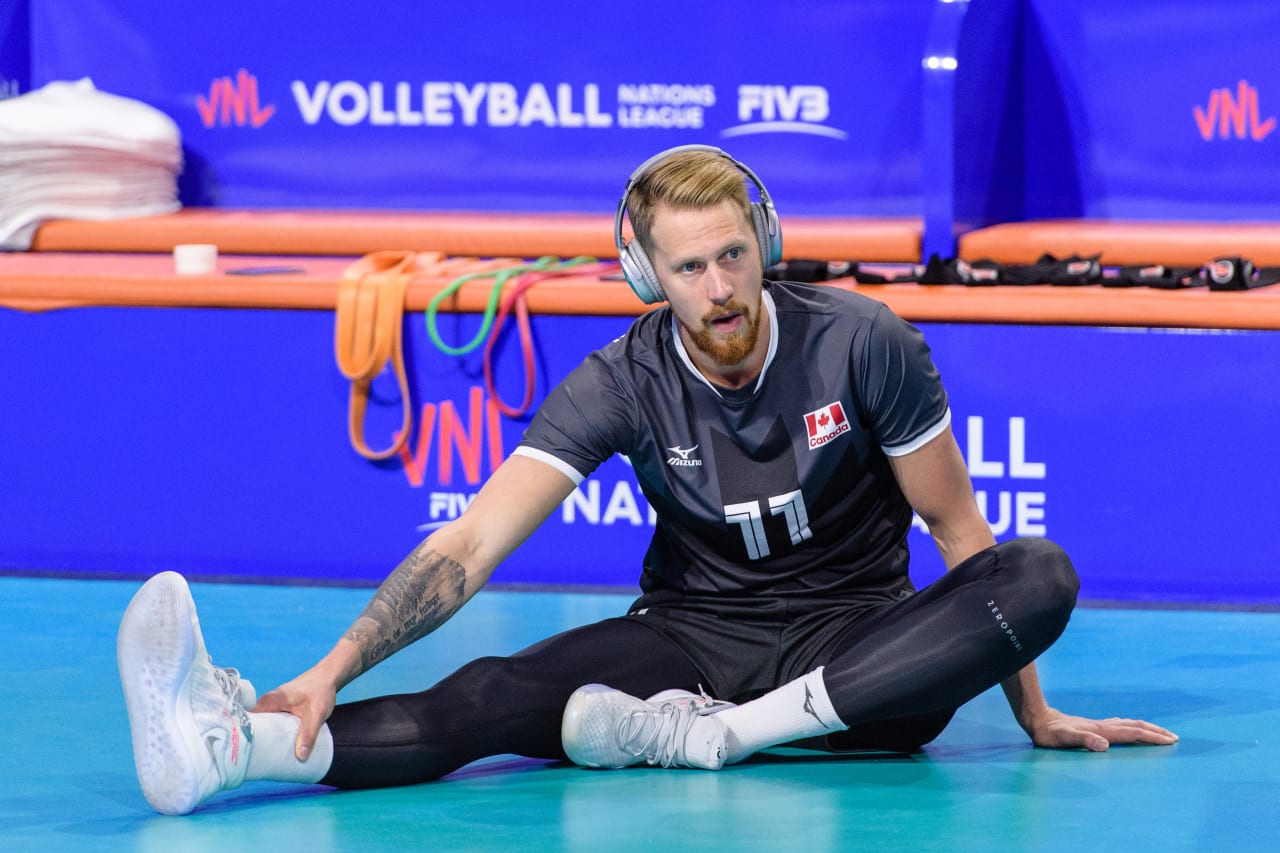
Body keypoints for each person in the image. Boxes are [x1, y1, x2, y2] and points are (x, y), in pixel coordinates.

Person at [117, 145, 1177, 816]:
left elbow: (958, 534)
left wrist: (1031, 712)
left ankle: (718, 738)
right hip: (690, 636)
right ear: (645, 276)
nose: (718, 288)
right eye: (687, 267)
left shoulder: (863, 342)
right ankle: (229, 748)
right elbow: (471, 543)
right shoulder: (619, 379)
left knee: (1037, 574)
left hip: (856, 651)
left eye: (731, 255)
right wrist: (332, 663)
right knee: (490, 695)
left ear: (761, 243)